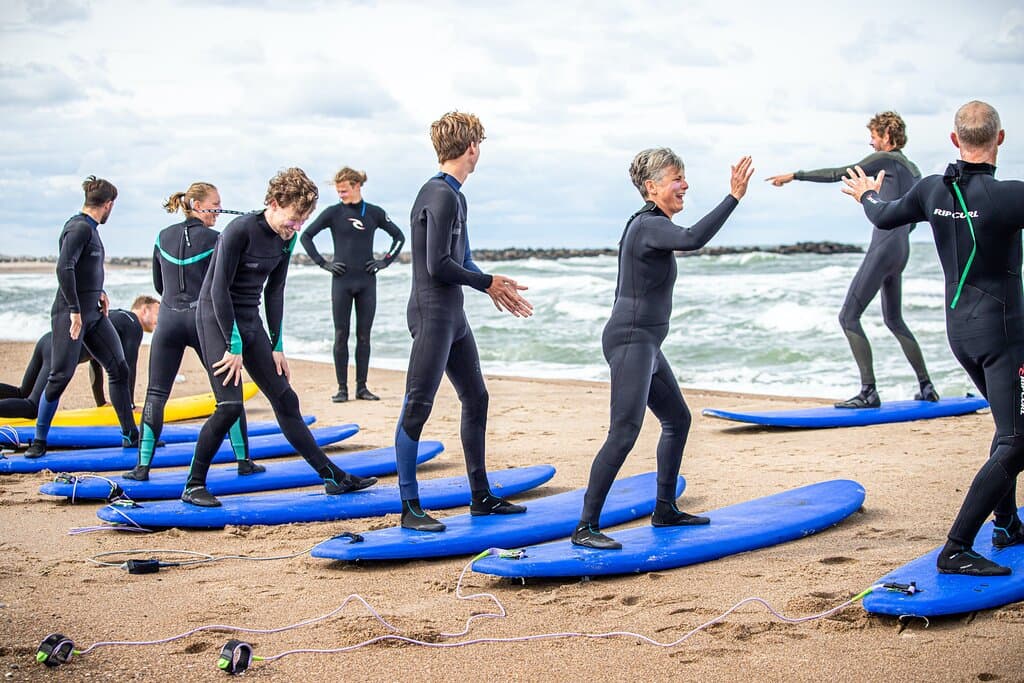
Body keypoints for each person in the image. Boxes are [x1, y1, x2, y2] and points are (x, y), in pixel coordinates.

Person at [842, 100, 1024, 575]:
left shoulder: (931, 190)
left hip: (961, 336)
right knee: (1018, 440)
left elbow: (882, 217)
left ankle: (1006, 523)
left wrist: (864, 194)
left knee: (1008, 428)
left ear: (954, 139)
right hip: (1004, 338)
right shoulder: (1009, 196)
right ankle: (956, 547)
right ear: (1000, 138)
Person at [572, 149, 754, 550]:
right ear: (651, 187)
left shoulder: (651, 226)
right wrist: (733, 197)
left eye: (684, 177)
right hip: (632, 340)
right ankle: (586, 526)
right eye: (676, 178)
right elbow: (692, 239)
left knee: (678, 419)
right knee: (623, 433)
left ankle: (665, 508)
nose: (684, 184)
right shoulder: (647, 225)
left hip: (646, 343)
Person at [181, 168, 377, 507]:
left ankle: (333, 477)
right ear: (274, 203)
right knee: (229, 406)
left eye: (304, 219)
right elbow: (217, 291)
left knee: (286, 400)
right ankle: (193, 484)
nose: (297, 226)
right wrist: (233, 345)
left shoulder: (287, 238)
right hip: (216, 319)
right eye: (294, 217)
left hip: (249, 320)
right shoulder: (239, 231)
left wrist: (276, 345)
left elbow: (275, 292)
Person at [395, 111, 533, 532]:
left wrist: (491, 285)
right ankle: (409, 507)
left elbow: (463, 260)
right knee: (418, 406)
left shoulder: (456, 196)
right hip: (432, 314)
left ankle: (481, 497)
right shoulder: (438, 194)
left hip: (452, 316)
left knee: (477, 398)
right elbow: (438, 265)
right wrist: (486, 281)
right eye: (481, 145)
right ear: (472, 147)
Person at [767, 112, 938, 408]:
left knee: (848, 316)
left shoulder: (888, 159)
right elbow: (914, 215)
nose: (871, 141)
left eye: (874, 135)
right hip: (901, 249)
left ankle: (868, 391)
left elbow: (840, 172)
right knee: (894, 319)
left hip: (883, 247)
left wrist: (796, 175)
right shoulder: (913, 169)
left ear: (886, 135)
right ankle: (927, 386)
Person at [124, 184, 258, 482]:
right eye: (216, 204)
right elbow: (225, 286)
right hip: (203, 322)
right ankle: (244, 461)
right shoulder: (217, 239)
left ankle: (142, 467)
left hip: (169, 320)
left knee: (156, 394)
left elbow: (159, 285)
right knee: (228, 393)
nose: (220, 211)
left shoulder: (162, 237)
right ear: (198, 204)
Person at [23, 176, 139, 459]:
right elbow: (65, 268)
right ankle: (39, 440)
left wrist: (99, 292)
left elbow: (85, 270)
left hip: (94, 315)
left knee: (119, 368)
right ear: (108, 204)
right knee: (60, 375)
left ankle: (130, 435)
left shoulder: (91, 229)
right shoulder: (78, 228)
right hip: (70, 315)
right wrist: (75, 310)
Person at [301, 167, 405, 402]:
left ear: (357, 186)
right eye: (338, 191)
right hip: (341, 281)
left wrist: (384, 262)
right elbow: (306, 236)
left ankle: (361, 387)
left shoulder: (375, 213)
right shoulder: (332, 213)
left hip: (367, 281)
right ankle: (342, 389)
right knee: (341, 335)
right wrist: (323, 264)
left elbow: (399, 237)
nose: (341, 195)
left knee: (364, 336)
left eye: (344, 191)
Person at [0, 296, 158, 420]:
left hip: (47, 341)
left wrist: (101, 402)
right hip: (58, 351)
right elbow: (127, 367)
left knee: (22, 393)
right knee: (34, 407)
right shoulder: (133, 326)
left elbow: (96, 361)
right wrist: (129, 406)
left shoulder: (115, 316)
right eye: (159, 313)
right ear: (145, 309)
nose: (161, 319)